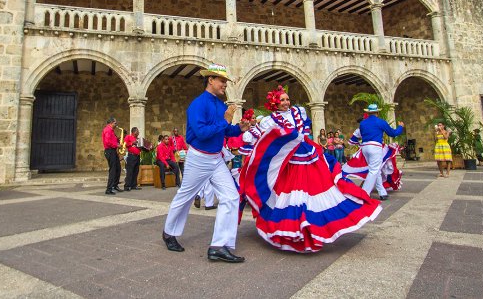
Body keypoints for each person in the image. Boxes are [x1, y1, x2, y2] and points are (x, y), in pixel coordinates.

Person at [241, 86, 382, 253]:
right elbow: (252, 136)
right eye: (282, 100)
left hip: (308, 155)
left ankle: (312, 226)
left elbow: (304, 130)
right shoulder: (269, 120)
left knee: (316, 188)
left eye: (287, 99)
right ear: (275, 103)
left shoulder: (298, 112)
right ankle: (295, 228)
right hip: (290, 162)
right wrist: (248, 130)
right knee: (293, 194)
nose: (286, 102)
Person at [162, 63, 250, 263]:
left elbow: (225, 132)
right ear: (210, 80)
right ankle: (169, 233)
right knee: (185, 196)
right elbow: (201, 133)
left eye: (225, 81)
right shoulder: (198, 104)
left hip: (216, 159)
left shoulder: (220, 105)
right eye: (222, 80)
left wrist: (239, 128)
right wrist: (226, 121)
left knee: (231, 197)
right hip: (198, 158)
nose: (225, 84)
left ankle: (219, 246)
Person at [359, 104, 405, 199]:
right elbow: (393, 133)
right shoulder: (380, 122)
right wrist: (400, 127)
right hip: (375, 147)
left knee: (376, 170)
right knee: (374, 170)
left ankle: (382, 192)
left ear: (368, 112)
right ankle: (364, 193)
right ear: (377, 112)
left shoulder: (363, 123)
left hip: (365, 147)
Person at [101, 117, 123, 195]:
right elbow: (107, 142)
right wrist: (117, 145)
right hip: (110, 151)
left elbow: (111, 140)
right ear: (111, 123)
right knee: (113, 170)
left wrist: (118, 139)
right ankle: (109, 189)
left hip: (113, 151)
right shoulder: (108, 130)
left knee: (118, 168)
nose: (116, 124)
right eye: (115, 123)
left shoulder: (111, 131)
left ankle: (115, 185)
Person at [123, 127, 142, 191]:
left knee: (136, 171)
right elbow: (125, 144)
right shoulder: (128, 137)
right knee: (130, 171)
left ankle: (134, 185)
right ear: (134, 132)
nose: (139, 132)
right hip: (131, 156)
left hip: (137, 156)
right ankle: (127, 186)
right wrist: (132, 143)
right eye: (138, 131)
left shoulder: (139, 139)